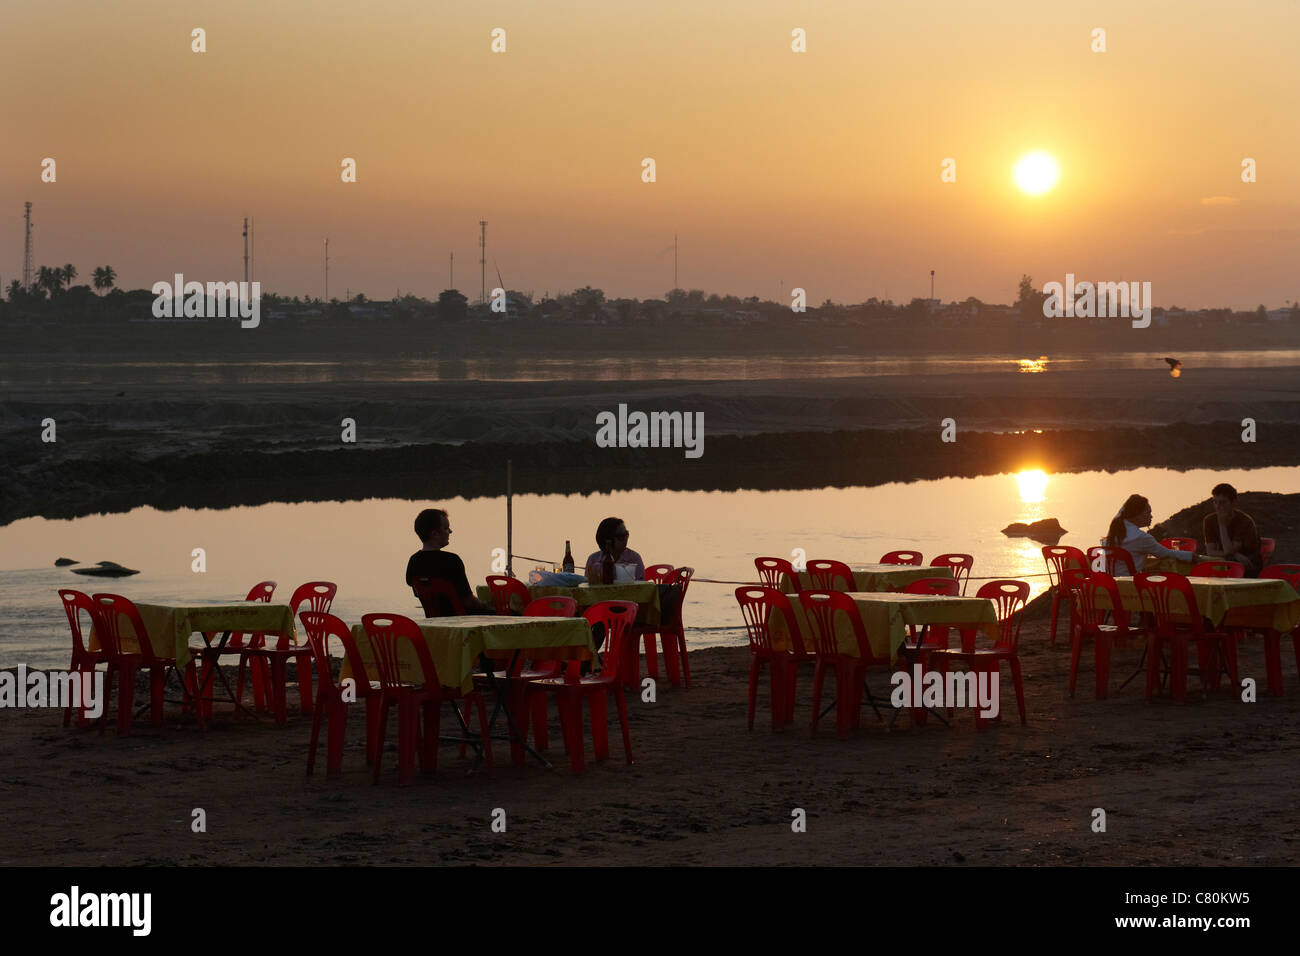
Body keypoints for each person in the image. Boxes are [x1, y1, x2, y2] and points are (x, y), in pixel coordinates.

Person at [405, 508, 489, 615]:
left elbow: (418, 594)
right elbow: (469, 601)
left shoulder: (414, 561)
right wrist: (485, 605)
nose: (450, 531)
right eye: (446, 528)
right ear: (435, 534)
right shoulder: (452, 561)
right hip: (463, 622)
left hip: (433, 621)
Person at [1104, 494, 1206, 571]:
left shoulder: (1115, 529)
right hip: (1128, 584)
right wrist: (1191, 556)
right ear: (1137, 514)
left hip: (1110, 582)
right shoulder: (1141, 537)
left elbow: (1120, 513)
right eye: (1148, 512)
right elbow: (1166, 553)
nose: (1151, 516)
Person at [1202, 483, 1262, 576]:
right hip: (1229, 560)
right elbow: (1210, 552)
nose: (1218, 506)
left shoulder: (1244, 521)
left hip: (1248, 563)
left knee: (1230, 563)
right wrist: (1235, 554)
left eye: (1222, 502)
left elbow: (1229, 549)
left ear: (1233, 502)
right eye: (1215, 502)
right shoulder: (1209, 520)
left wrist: (1222, 525)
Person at [584, 517, 646, 583]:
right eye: (621, 536)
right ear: (608, 540)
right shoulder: (593, 559)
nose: (626, 538)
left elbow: (641, 586)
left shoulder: (634, 558)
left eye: (626, 534)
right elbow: (587, 586)